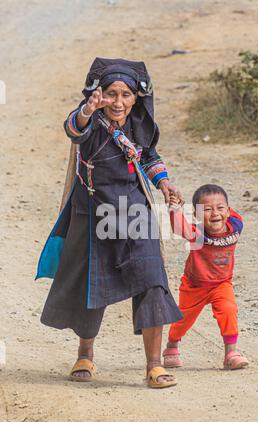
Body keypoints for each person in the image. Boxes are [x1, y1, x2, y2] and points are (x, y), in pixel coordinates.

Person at [35, 58, 184, 388]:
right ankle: (85, 354)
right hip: (92, 212)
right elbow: (73, 129)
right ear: (99, 95)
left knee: (152, 279)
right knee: (93, 283)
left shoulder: (138, 125)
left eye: (126, 95)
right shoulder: (90, 122)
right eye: (111, 94)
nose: (118, 102)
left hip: (134, 213)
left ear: (136, 98)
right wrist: (88, 110)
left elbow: (149, 157)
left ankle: (154, 366)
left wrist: (164, 183)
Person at [163, 184, 249, 370]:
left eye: (220, 208)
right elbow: (179, 229)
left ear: (228, 210)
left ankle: (230, 353)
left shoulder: (235, 224)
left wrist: (222, 206)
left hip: (221, 283)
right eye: (207, 209)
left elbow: (226, 209)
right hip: (195, 285)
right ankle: (172, 345)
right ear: (196, 215)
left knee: (228, 309)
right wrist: (175, 209)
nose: (215, 213)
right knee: (183, 318)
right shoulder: (197, 233)